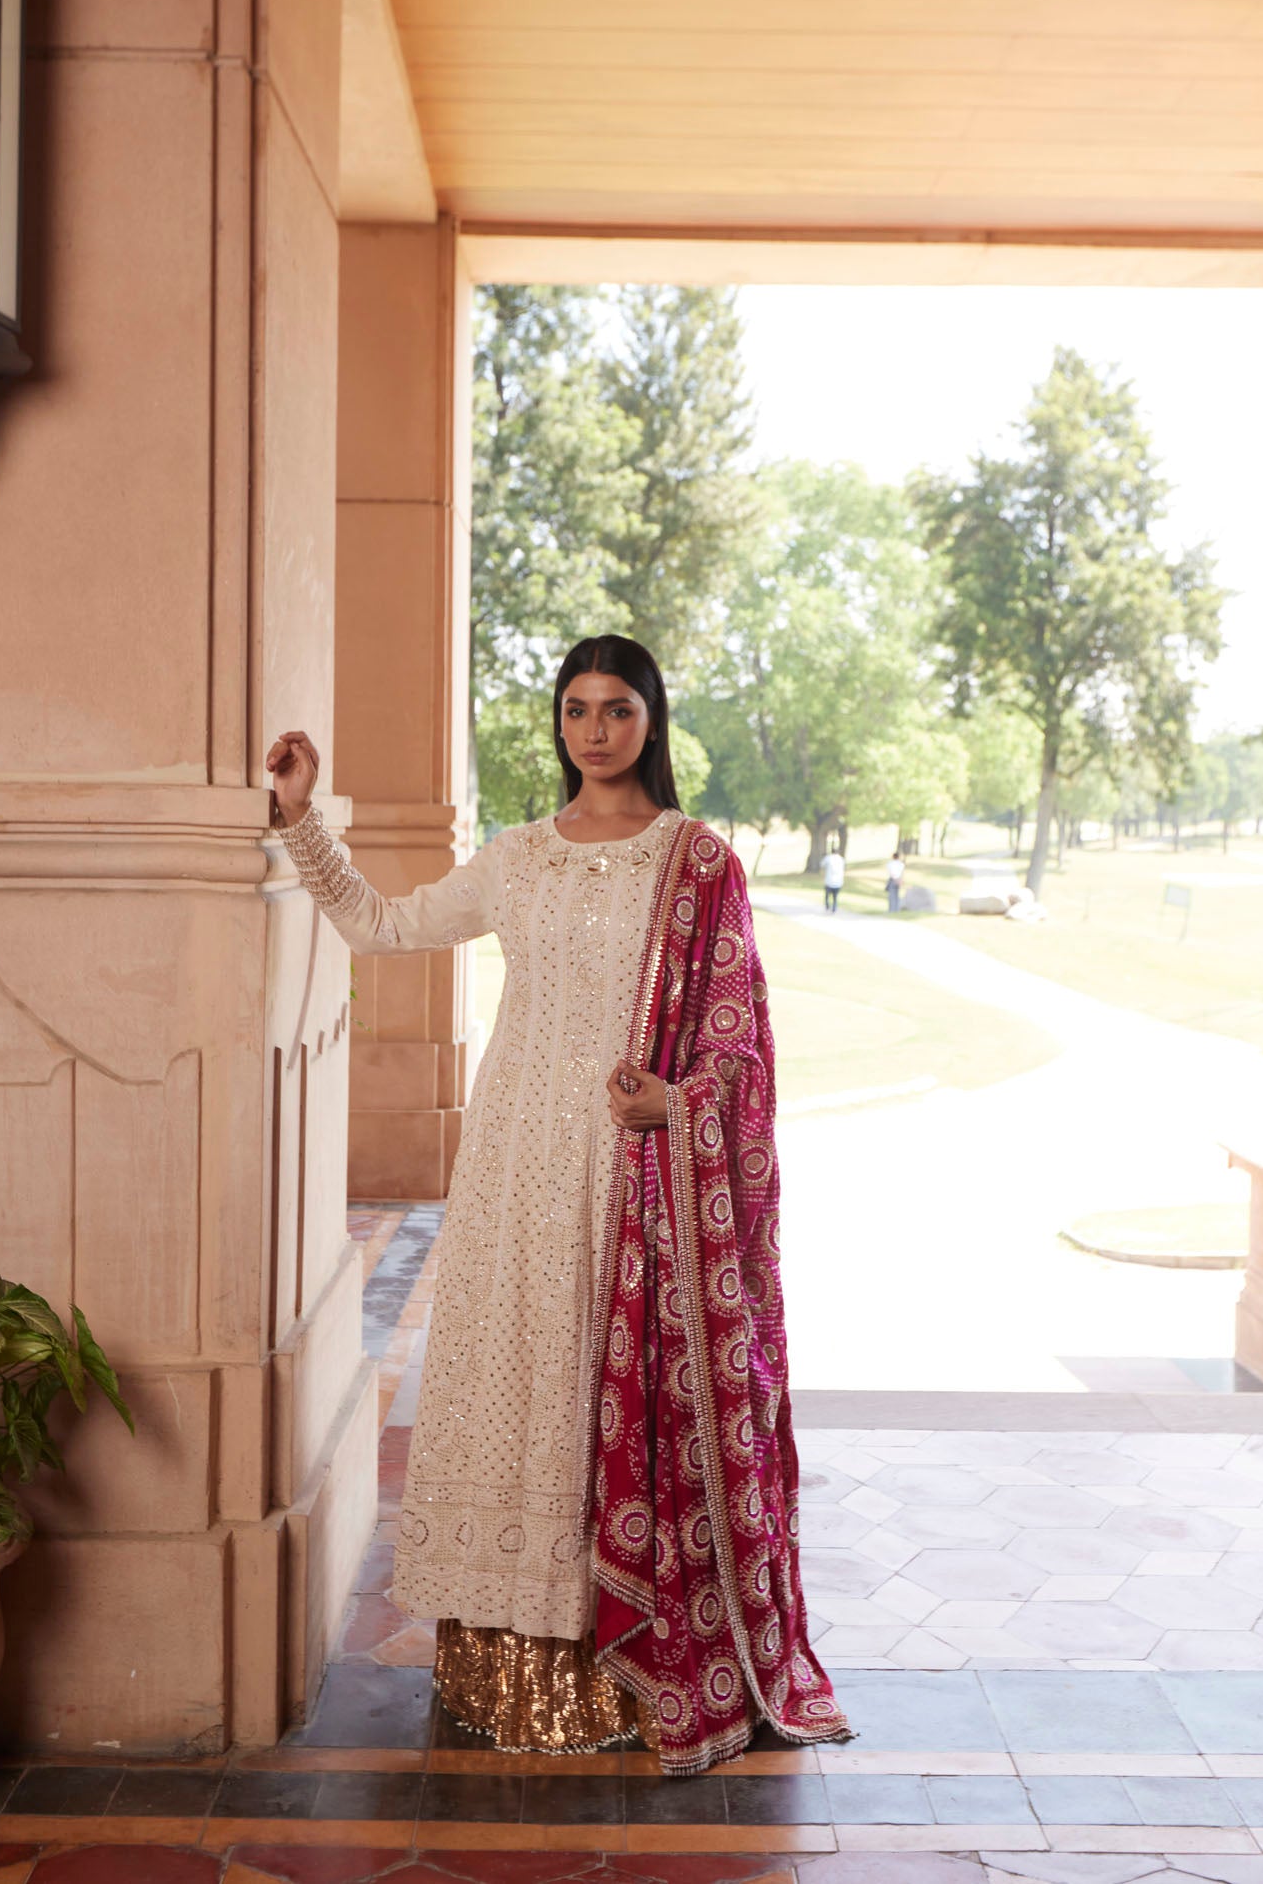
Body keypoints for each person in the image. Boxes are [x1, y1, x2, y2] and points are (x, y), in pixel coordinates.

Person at [266, 634, 851, 1776]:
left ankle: (626, 1657)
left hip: (626, 1161)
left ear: (650, 719)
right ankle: (514, 1659)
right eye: (576, 707)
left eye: (616, 707)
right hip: (511, 1160)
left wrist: (671, 1106)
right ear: (558, 721)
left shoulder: (694, 861)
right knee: (514, 1375)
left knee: (600, 1375)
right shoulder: (518, 856)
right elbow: (387, 926)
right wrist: (299, 820)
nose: (594, 728)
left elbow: (741, 1048)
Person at [820, 843, 845, 912]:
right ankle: (834, 908)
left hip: (829, 881)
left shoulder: (828, 858)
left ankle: (827, 906)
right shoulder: (841, 859)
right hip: (838, 881)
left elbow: (822, 864)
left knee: (827, 895)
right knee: (835, 896)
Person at [886, 849, 906, 914]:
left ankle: (891, 910)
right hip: (899, 880)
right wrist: (901, 881)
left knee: (892, 896)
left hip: (893, 880)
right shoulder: (901, 864)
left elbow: (891, 873)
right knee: (897, 895)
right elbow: (902, 873)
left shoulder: (890, 864)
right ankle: (896, 909)